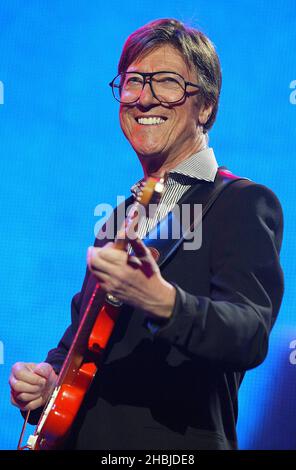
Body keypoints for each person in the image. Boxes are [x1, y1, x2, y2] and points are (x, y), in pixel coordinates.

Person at [9, 18, 284, 450]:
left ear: (206, 106)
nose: (145, 98)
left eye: (168, 82)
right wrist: (48, 386)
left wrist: (163, 301)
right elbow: (79, 347)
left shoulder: (238, 202)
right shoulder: (118, 221)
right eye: (134, 81)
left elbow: (249, 334)